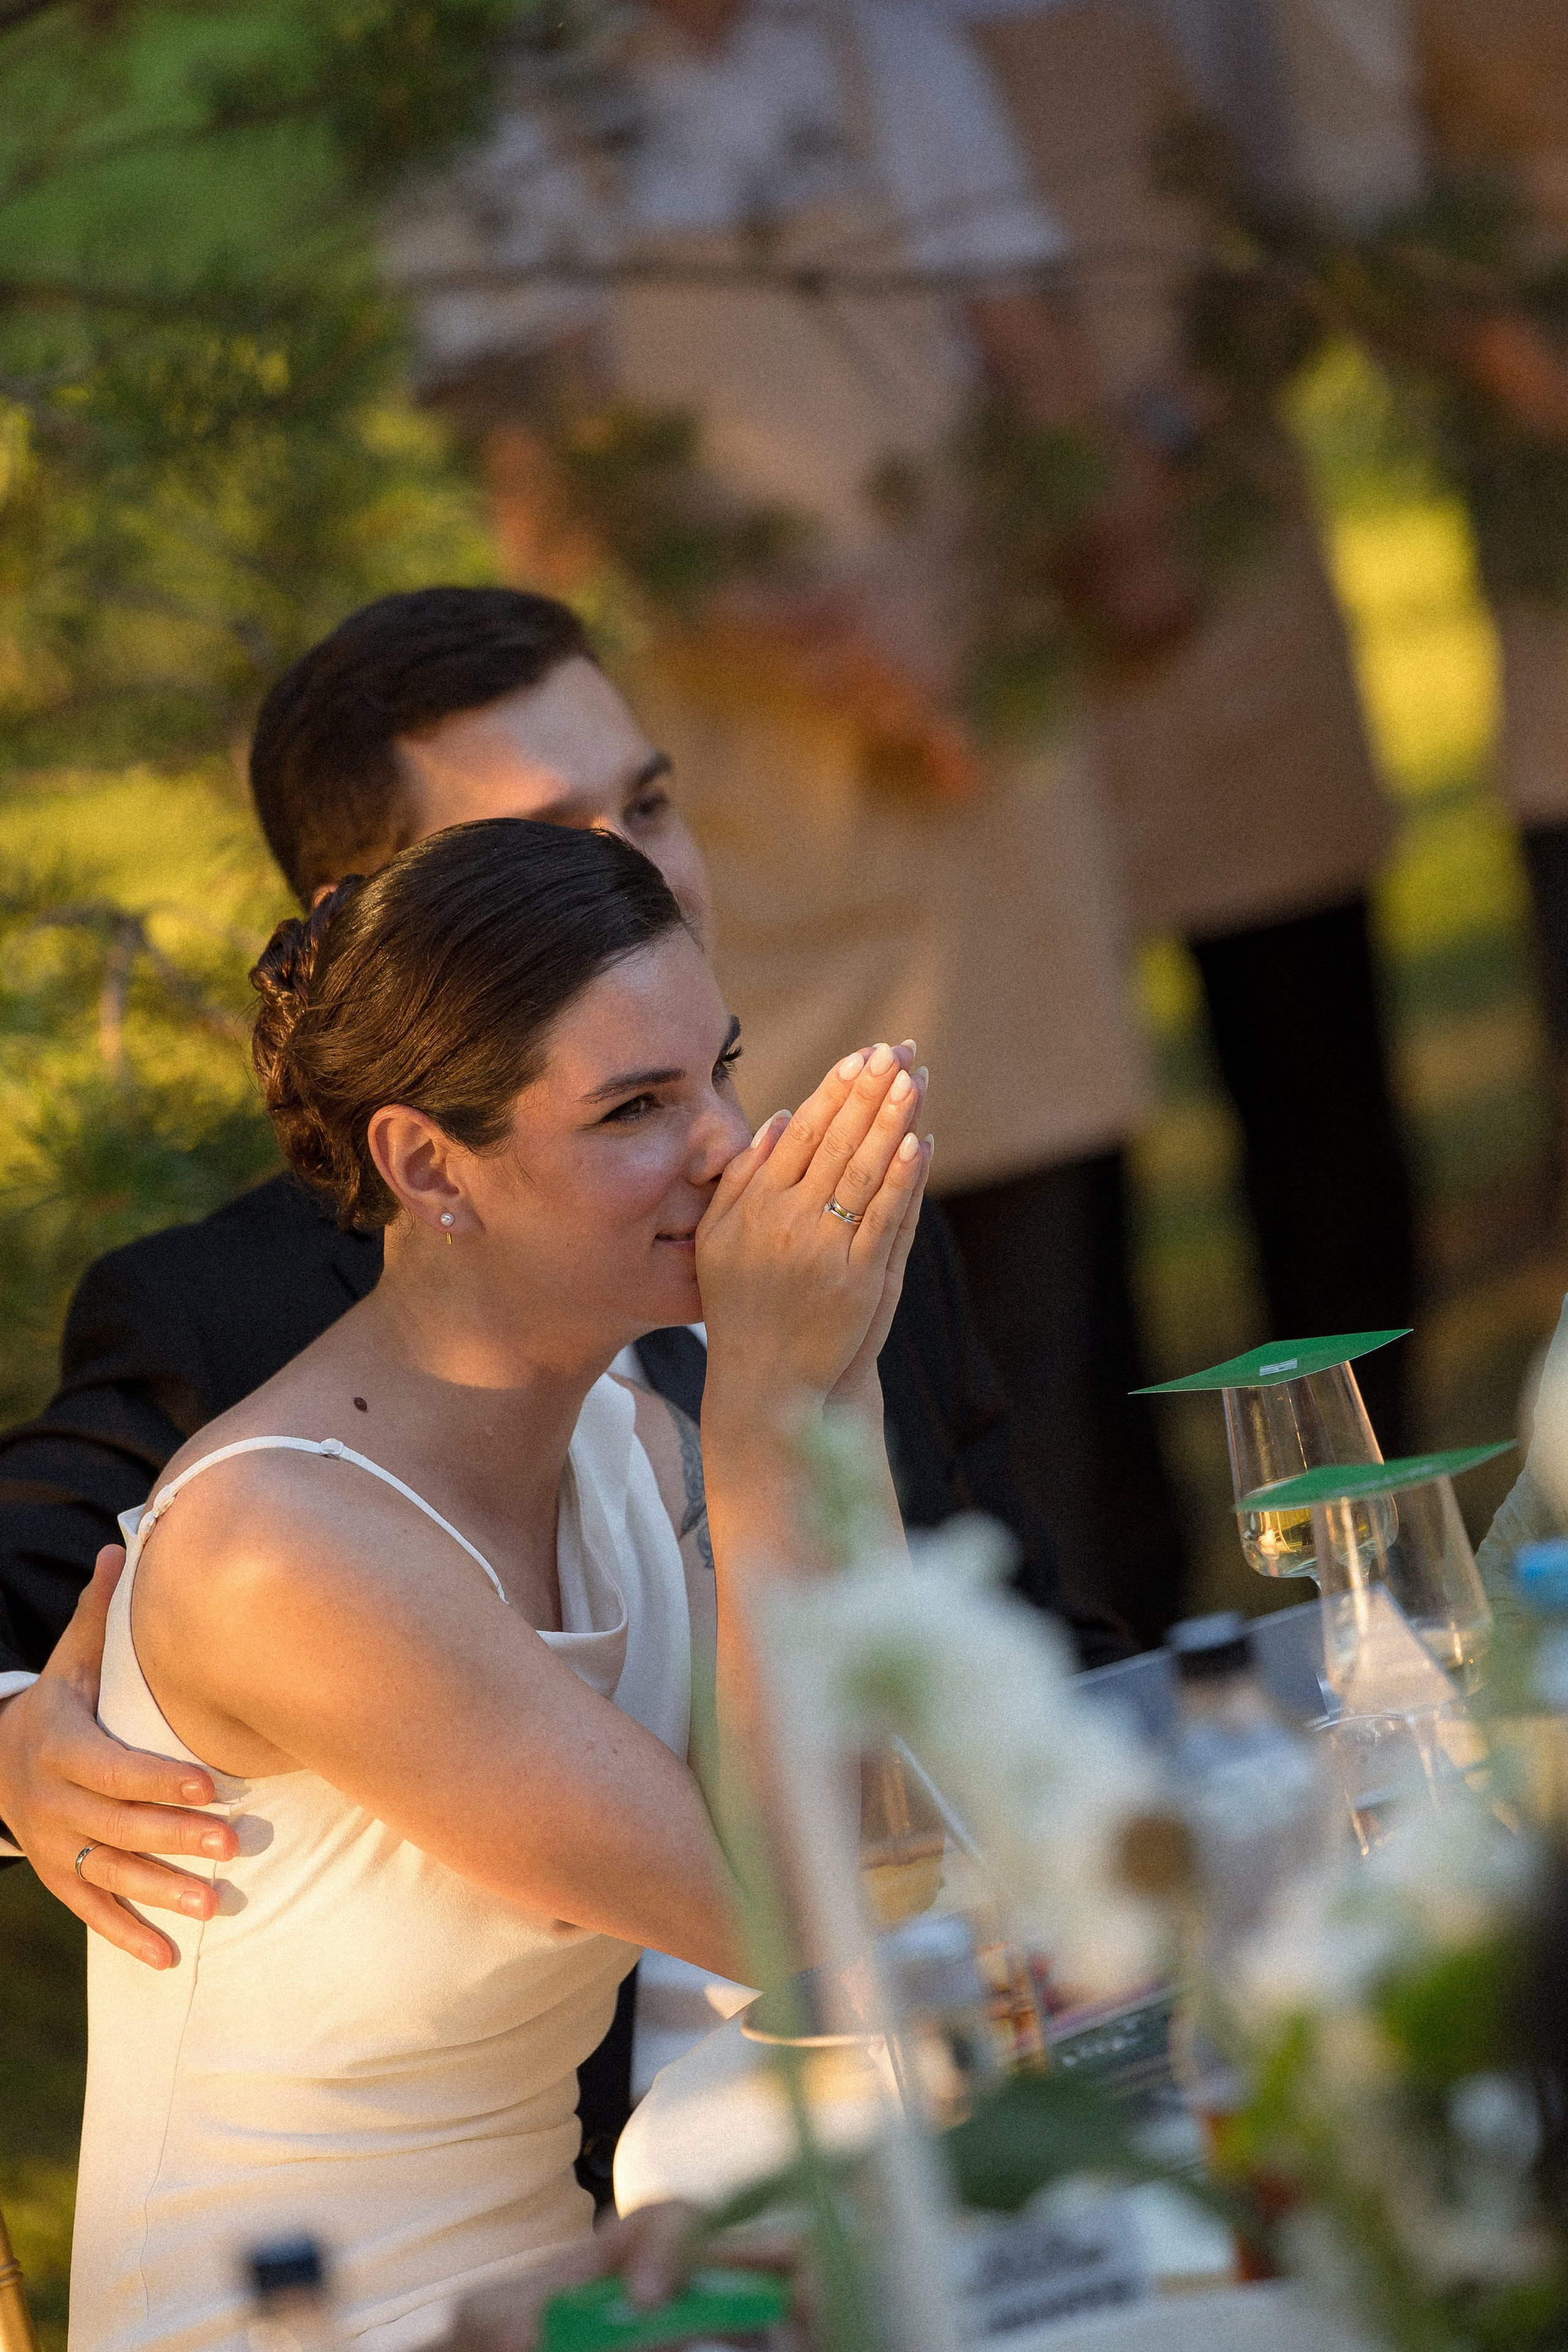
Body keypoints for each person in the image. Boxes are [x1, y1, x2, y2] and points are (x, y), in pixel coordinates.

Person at [0, 586, 1117, 2198]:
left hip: (893, 2050)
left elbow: (1016, 1660)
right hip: (563, 2178)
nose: (639, 872)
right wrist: (21, 1741)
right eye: (545, 840)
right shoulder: (229, 1331)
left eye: (648, 803)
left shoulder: (804, 1231)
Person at [385, 0, 1193, 1644]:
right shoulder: (497, 125)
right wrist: (837, 653)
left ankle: (1131, 1651)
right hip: (722, 773)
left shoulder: (890, 50)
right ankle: (900, 1682)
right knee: (811, 1239)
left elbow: (1028, 345)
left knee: (1068, 1262)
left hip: (983, 719)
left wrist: (1080, 557)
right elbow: (563, 478)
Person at [70, 813, 930, 2352]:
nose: (725, 1148)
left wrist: (833, 1383)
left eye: (719, 1073)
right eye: (635, 1108)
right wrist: (767, 1410)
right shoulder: (283, 1550)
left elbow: (881, 1842)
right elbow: (793, 1922)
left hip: (558, 2290)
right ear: (428, 1166)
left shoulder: (628, 1446)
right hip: (291, 2322)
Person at [965, 0, 1418, 1454]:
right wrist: (1065, 505)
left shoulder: (1209, 15)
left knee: (1314, 1085)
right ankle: (1114, 1543)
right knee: (1054, 1150)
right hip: (998, 614)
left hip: (1234, 579)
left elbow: (1296, 238)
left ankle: (1372, 1485)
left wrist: (1156, 451)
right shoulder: (865, 42)